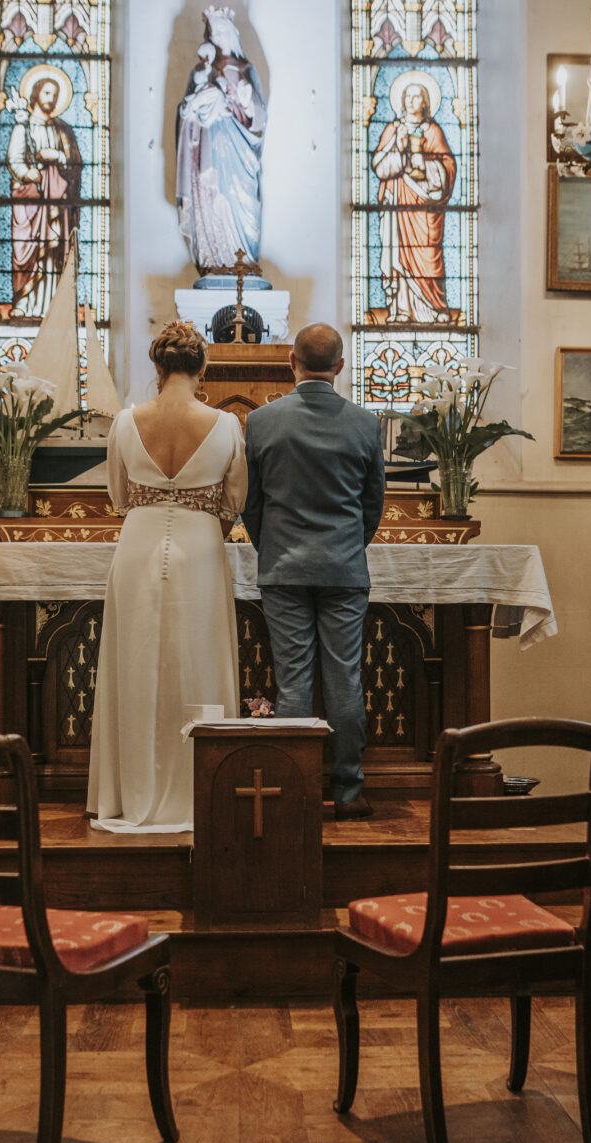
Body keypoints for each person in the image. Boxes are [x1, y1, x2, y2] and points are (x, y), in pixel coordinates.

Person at [87, 321, 247, 832]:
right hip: (201, 546)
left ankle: (127, 794)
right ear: (204, 369)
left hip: (137, 544)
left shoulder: (125, 422)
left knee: (133, 664)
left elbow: (117, 496)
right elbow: (235, 502)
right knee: (199, 662)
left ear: (157, 368)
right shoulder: (225, 426)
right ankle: (203, 791)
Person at [242, 324, 385, 821]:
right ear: (340, 367)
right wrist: (347, 546)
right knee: (345, 679)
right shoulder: (366, 424)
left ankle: (296, 792)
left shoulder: (261, 422)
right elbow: (373, 505)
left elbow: (251, 505)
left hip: (283, 568)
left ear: (291, 361)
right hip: (344, 567)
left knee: (294, 682)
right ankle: (348, 792)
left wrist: (273, 547)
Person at [175, 6, 266, 275]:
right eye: (215, 32)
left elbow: (259, 118)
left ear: (233, 33)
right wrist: (202, 102)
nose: (221, 36)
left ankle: (243, 259)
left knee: (241, 200)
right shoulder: (201, 72)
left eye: (225, 30)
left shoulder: (247, 70)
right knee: (213, 196)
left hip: (240, 154)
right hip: (209, 152)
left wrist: (246, 101)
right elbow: (185, 115)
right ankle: (214, 257)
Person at [371, 81, 456, 323]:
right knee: (398, 254)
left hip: (426, 208)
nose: (411, 100)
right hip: (398, 203)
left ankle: (434, 308)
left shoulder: (433, 131)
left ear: (425, 102)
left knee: (428, 253)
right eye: (407, 96)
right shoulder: (393, 129)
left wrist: (425, 164)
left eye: (417, 96)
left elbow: (448, 169)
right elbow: (379, 166)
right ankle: (401, 310)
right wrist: (399, 149)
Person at [7, 74, 82, 318]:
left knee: (53, 252)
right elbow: (14, 160)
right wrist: (29, 174)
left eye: (55, 95)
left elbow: (75, 164)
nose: (51, 98)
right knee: (29, 252)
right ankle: (25, 304)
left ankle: (54, 304)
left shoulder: (63, 130)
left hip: (56, 203)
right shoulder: (23, 126)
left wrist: (58, 157)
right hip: (31, 202)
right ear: (36, 93)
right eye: (47, 92)